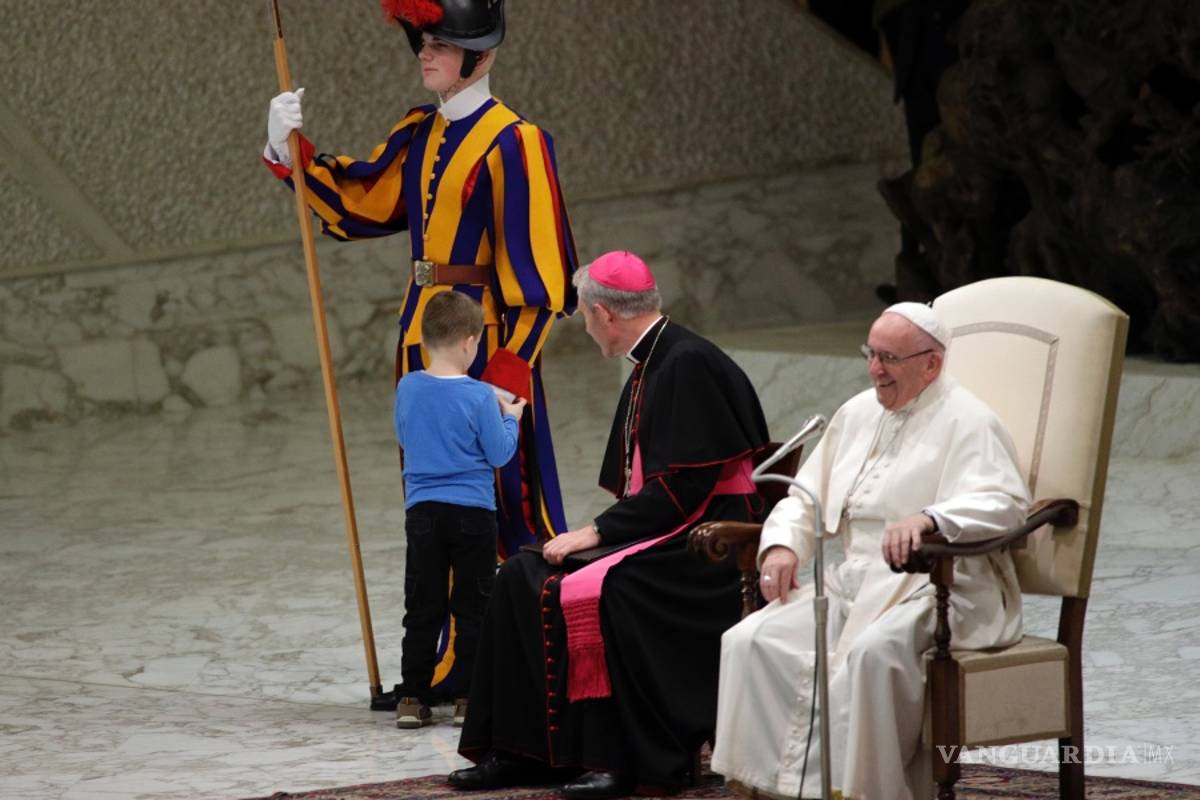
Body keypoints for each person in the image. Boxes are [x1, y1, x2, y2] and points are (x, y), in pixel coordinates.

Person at [263, 0, 578, 705]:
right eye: (422, 41)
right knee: (434, 510)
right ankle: (445, 666)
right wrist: (290, 152)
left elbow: (539, 285)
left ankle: (528, 660)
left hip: (487, 350)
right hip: (420, 347)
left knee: (503, 510)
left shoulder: (515, 142)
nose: (424, 54)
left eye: (439, 43)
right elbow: (362, 203)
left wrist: (502, 384)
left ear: (481, 54)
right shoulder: (419, 131)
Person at [449, 251, 771, 798]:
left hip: (710, 542)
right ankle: (526, 752)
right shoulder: (657, 360)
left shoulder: (686, 363)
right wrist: (600, 532)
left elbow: (680, 489)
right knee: (518, 577)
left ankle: (621, 759)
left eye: (583, 314)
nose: (586, 325)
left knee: (610, 592)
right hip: (677, 526)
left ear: (605, 314)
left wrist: (597, 532)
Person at [711, 302, 1032, 800]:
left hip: (938, 586)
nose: (875, 369)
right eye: (871, 354)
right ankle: (771, 789)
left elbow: (1006, 505)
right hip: (852, 582)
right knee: (750, 639)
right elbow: (805, 496)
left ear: (932, 364)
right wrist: (781, 547)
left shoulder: (970, 421)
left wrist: (931, 518)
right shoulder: (856, 413)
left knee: (869, 655)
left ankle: (865, 792)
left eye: (889, 358)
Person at [393, 291, 526, 728]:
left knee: (423, 603)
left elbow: (403, 434)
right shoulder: (479, 397)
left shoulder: (408, 386)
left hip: (423, 513)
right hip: (472, 513)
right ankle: (470, 698)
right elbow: (500, 453)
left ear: (425, 339)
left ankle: (412, 697)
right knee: (473, 607)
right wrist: (512, 418)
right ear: (470, 342)